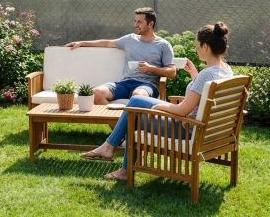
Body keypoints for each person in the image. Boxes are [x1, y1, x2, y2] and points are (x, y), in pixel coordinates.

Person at [80, 22, 233, 181]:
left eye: (197, 45)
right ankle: (110, 148)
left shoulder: (206, 75)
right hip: (210, 131)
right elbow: (201, 95)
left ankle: (119, 162)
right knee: (136, 101)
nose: (196, 48)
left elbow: (182, 111)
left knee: (133, 116)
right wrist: (195, 75)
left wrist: (158, 106)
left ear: (205, 46)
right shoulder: (225, 70)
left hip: (188, 129)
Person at [65, 7, 176, 104]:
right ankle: (117, 121)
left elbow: (172, 72)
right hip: (125, 83)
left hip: (147, 85)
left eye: (139, 22)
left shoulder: (163, 45)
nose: (135, 25)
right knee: (96, 93)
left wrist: (151, 68)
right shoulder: (130, 39)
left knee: (138, 97)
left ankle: (124, 122)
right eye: (135, 21)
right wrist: (82, 43)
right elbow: (107, 43)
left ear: (150, 24)